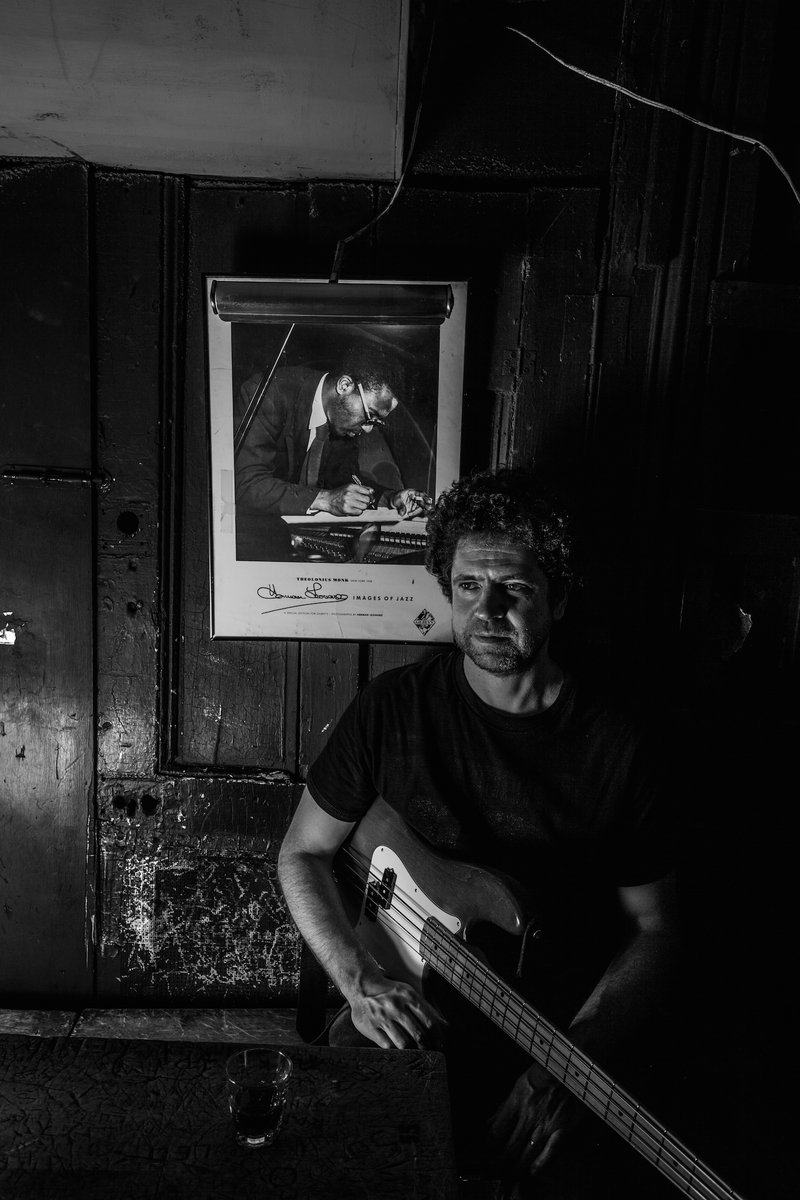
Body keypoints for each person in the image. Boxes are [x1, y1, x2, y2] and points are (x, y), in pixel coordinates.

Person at [277, 468, 679, 1199]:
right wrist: (359, 981)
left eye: (514, 588)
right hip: (409, 1003)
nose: (487, 611)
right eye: (468, 586)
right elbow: (302, 852)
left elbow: (658, 930)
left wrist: (571, 1070)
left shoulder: (620, 747)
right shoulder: (393, 707)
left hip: (553, 1029)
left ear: (559, 597)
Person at [234, 350, 432, 519]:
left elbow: (346, 482)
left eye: (376, 421)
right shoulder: (268, 393)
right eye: (370, 415)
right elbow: (245, 482)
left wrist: (390, 498)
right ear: (344, 386)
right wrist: (324, 499)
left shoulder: (344, 424)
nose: (368, 429)